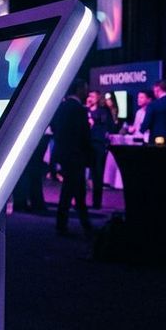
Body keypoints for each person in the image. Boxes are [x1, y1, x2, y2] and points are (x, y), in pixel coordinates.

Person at [50, 81, 93, 236]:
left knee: (76, 189)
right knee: (70, 190)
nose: (87, 92)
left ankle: (83, 222)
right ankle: (65, 224)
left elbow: (54, 127)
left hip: (63, 153)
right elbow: (84, 135)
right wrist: (88, 155)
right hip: (75, 155)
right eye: (86, 88)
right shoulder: (79, 110)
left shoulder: (61, 107)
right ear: (79, 89)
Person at [85, 90, 116, 209]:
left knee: (97, 173)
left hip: (98, 144)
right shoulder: (84, 110)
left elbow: (111, 126)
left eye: (92, 96)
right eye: (89, 95)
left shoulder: (103, 111)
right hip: (86, 143)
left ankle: (96, 202)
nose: (90, 98)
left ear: (98, 98)